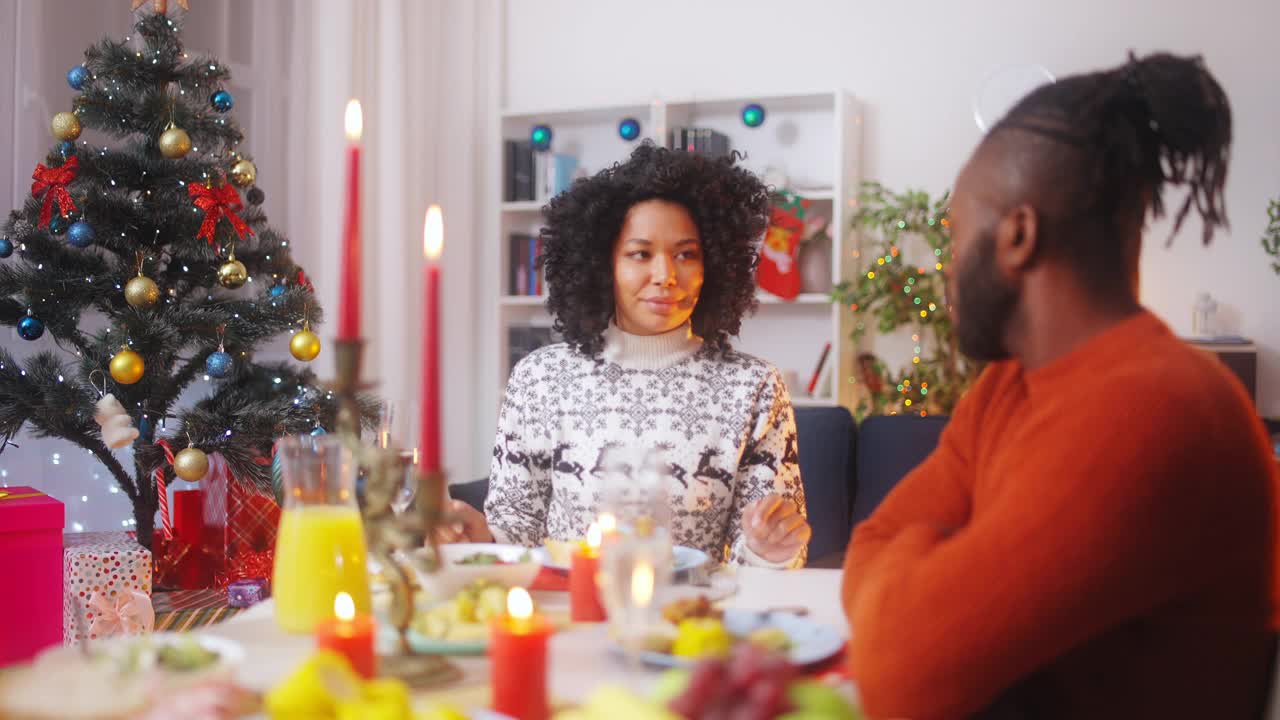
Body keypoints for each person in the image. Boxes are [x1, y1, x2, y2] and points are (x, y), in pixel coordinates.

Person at [843, 52, 1278, 718]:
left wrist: (933, 570)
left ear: (1017, 235)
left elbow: (899, 670)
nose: (947, 271)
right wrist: (929, 575)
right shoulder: (1007, 387)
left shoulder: (1156, 409)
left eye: (954, 236)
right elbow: (870, 542)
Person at [442, 143, 811, 568]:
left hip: (691, 621)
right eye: (641, 254)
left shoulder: (754, 387)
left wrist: (771, 547)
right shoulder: (541, 379)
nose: (666, 276)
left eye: (686, 254)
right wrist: (479, 536)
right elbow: (515, 533)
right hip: (569, 615)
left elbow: (766, 550)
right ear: (604, 264)